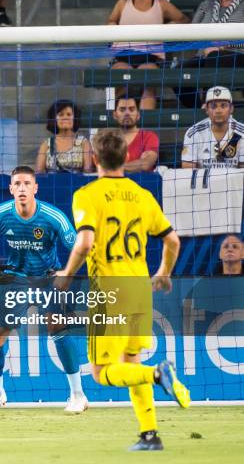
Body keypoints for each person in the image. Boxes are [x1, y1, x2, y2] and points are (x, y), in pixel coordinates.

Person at [54, 129, 189, 451]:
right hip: (140, 286)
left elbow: (85, 242)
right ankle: (150, 434)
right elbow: (172, 240)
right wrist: (163, 274)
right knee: (131, 360)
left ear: (96, 159)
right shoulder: (142, 195)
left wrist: (67, 274)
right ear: (127, 158)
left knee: (102, 373)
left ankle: (157, 375)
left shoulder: (87, 194)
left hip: (109, 289)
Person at [0, 165, 88, 413]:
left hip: (48, 277)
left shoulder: (53, 217)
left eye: (27, 183)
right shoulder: (1, 214)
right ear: (11, 188)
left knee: (57, 327)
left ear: (35, 188)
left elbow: (78, 246)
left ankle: (78, 395)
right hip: (14, 278)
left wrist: (66, 272)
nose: (22, 188)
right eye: (18, 184)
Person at [108, 0, 188, 110]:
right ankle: (121, 121)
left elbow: (184, 20)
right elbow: (111, 21)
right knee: (120, 77)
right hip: (123, 55)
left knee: (149, 82)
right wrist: (113, 25)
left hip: (150, 57)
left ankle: (144, 125)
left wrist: (171, 25)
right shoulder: (122, 3)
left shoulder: (161, 4)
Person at [176, 0, 244, 107]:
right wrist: (206, 44)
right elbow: (191, 35)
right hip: (204, 56)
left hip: (236, 56)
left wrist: (224, 45)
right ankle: (198, 112)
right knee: (178, 71)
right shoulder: (206, 5)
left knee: (214, 56)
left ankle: (209, 105)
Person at [181, 86, 244, 168]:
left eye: (223, 105)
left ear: (231, 109)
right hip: (203, 180)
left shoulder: (242, 132)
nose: (218, 111)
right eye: (213, 106)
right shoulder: (194, 133)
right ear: (206, 109)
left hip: (232, 180)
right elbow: (187, 170)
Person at [36, 99, 93, 174]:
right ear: (54, 119)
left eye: (69, 114)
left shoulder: (84, 143)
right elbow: (39, 173)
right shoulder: (46, 145)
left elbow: (88, 172)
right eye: (61, 114)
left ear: (75, 118)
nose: (65, 117)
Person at [111, 94, 159, 172]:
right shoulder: (108, 139)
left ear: (138, 115)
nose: (127, 113)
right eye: (122, 110)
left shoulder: (149, 137)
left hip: (142, 183)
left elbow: (146, 164)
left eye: (132, 109)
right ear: (115, 115)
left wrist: (116, 167)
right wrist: (136, 164)